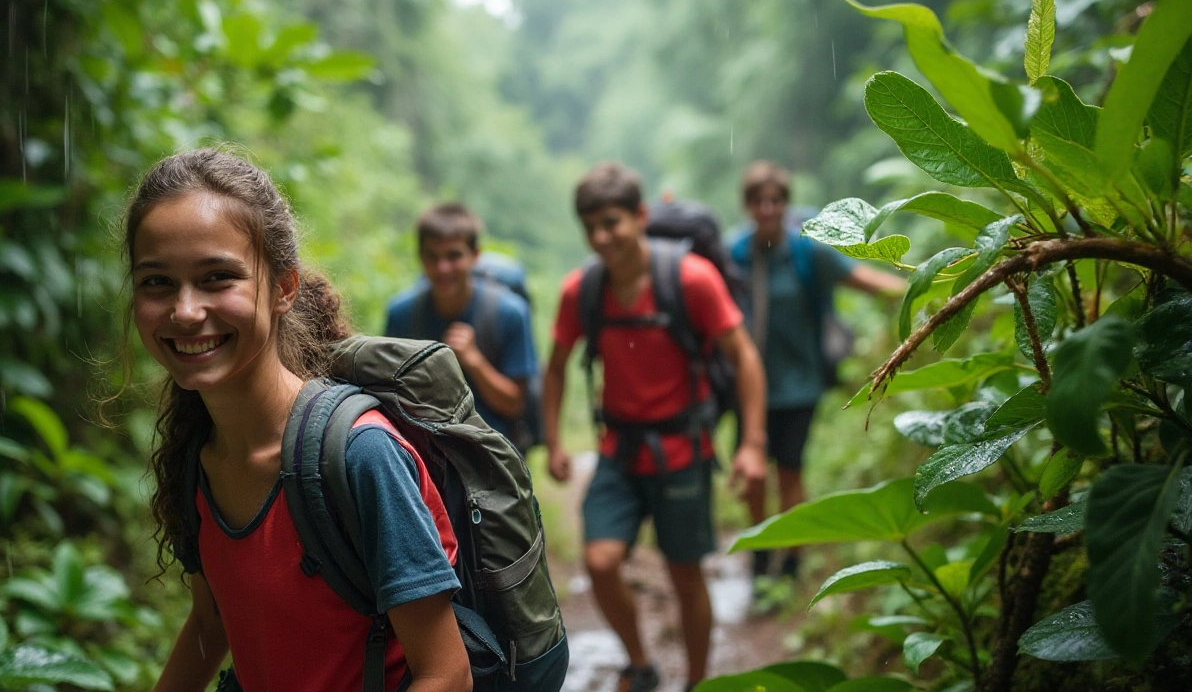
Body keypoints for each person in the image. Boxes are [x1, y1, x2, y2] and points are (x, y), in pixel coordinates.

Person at [126, 148, 471, 691]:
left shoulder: (360, 456)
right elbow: (211, 623)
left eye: (218, 277)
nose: (185, 311)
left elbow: (447, 675)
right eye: (157, 283)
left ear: (283, 289)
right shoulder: (199, 455)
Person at [544, 162, 768, 692]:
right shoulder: (583, 291)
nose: (602, 237)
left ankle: (695, 682)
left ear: (641, 216)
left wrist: (752, 445)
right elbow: (554, 368)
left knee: (685, 574)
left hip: (682, 449)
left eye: (613, 222)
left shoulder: (691, 280)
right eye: (591, 226)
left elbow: (745, 358)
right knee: (599, 562)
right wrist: (554, 440)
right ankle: (641, 664)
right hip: (618, 451)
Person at [726, 160, 906, 591]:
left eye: (775, 201)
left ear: (786, 205)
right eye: (758, 201)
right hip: (747, 388)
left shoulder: (809, 252)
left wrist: (931, 288)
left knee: (790, 471)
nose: (767, 209)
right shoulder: (734, 255)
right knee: (753, 478)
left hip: (799, 386)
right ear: (747, 205)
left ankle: (790, 560)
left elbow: (865, 280)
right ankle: (759, 554)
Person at [384, 203, 538, 442]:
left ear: (475, 256)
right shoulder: (402, 314)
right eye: (432, 257)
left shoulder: (509, 313)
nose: (442, 268)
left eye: (454, 256)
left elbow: (515, 404)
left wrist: (474, 360)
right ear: (420, 257)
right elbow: (389, 394)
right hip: (425, 449)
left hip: (493, 450)